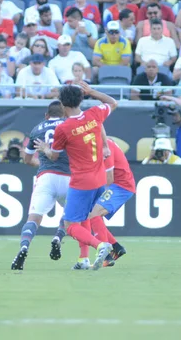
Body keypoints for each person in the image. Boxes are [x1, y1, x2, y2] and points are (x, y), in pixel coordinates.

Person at [34, 82, 118, 271]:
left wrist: (45, 148)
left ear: (63, 105)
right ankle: (84, 259)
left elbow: (54, 156)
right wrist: (92, 92)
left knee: (70, 224)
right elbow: (113, 102)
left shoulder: (63, 129)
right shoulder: (94, 114)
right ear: (81, 99)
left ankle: (100, 246)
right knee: (89, 217)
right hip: (99, 179)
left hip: (81, 182)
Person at [11, 101, 71, 270]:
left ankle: (24, 247)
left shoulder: (37, 129)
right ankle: (58, 237)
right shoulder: (70, 125)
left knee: (34, 218)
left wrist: (44, 165)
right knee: (70, 215)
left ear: (46, 115)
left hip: (46, 177)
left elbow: (28, 159)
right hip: (69, 177)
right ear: (64, 114)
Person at [79, 138, 133, 269]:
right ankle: (116, 248)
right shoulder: (101, 143)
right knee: (91, 214)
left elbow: (109, 179)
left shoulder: (105, 146)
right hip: (118, 185)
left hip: (120, 186)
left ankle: (107, 256)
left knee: (92, 214)